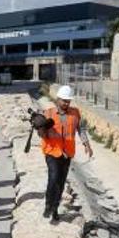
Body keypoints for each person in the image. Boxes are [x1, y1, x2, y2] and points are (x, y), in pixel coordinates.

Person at [37, 85, 93, 224]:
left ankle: (55, 210)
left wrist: (86, 144)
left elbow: (81, 129)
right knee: (53, 177)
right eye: (64, 101)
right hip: (52, 151)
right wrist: (41, 127)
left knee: (61, 183)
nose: (67, 103)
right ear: (58, 99)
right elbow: (41, 133)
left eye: (69, 101)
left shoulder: (75, 113)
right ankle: (48, 206)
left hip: (67, 153)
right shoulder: (48, 113)